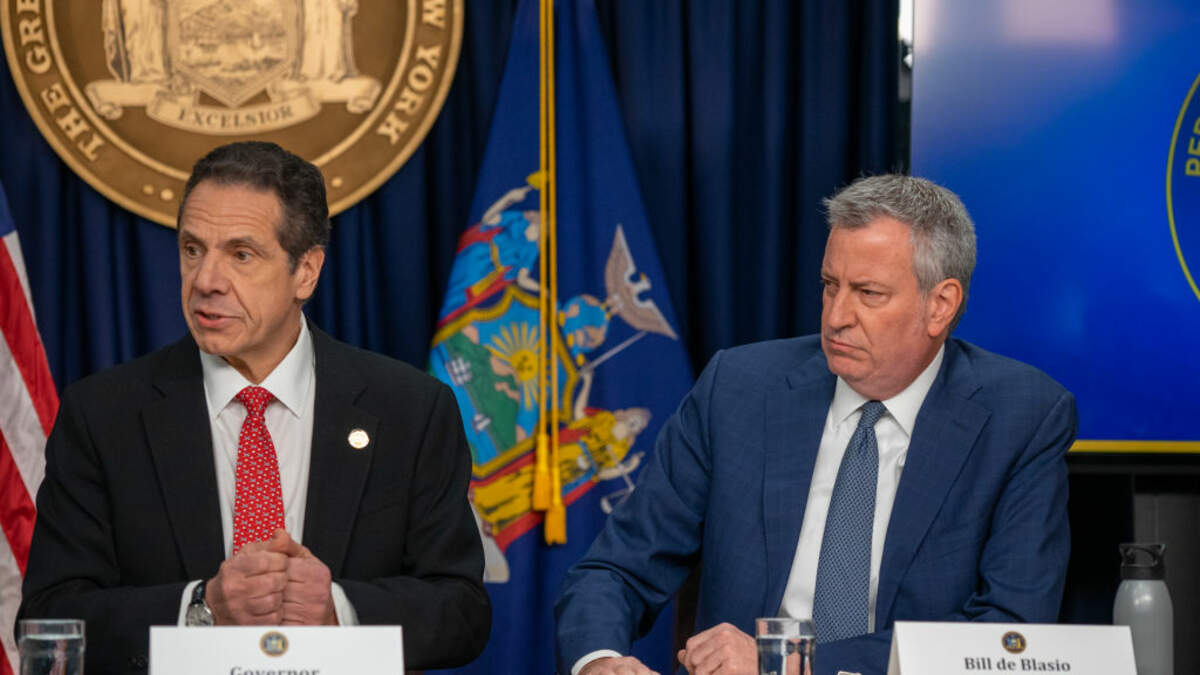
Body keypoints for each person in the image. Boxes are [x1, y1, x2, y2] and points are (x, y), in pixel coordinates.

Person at [554, 175, 1076, 675]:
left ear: (940, 305)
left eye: (868, 293)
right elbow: (618, 568)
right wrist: (598, 660)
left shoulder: (1021, 417)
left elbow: (1009, 633)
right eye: (830, 285)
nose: (836, 316)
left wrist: (786, 664)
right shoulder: (738, 388)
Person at [18, 141, 491, 673]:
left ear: (306, 271)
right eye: (193, 249)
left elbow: (462, 610)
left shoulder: (410, 410)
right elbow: (49, 615)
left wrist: (338, 609)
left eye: (241, 254)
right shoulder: (103, 415)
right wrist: (201, 608)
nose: (205, 281)